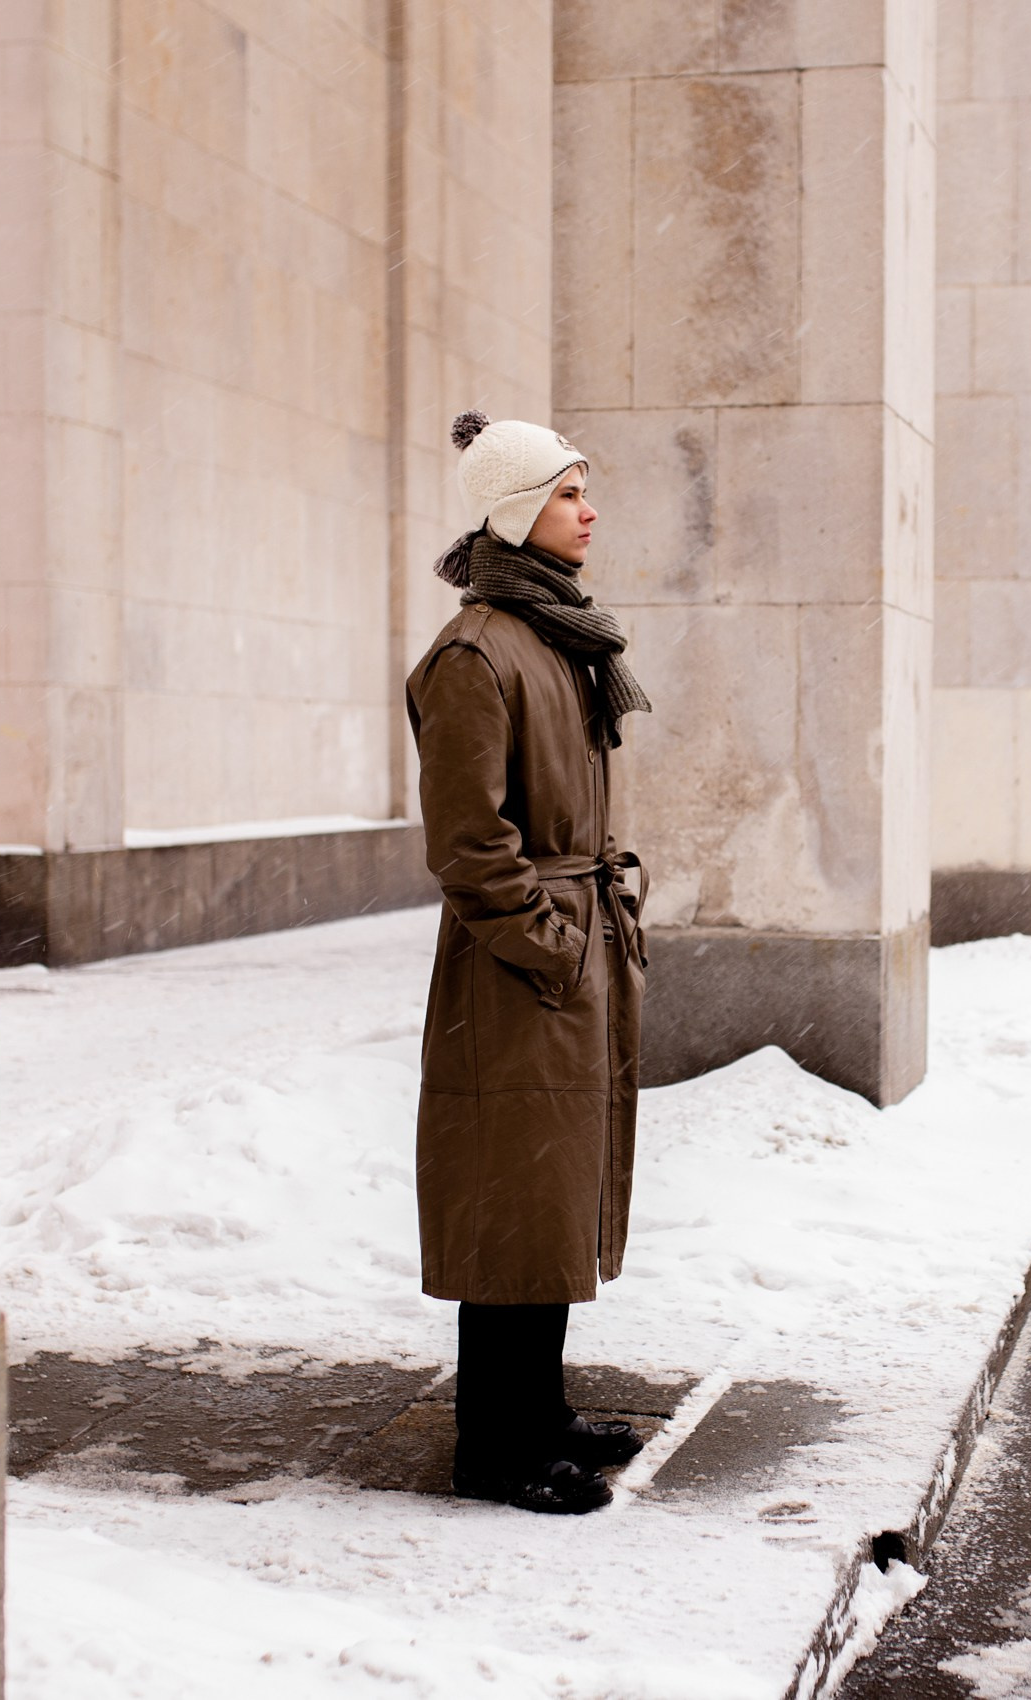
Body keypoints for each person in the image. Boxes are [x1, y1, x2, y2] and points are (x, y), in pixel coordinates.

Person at [405, 411, 653, 1515]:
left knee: (550, 1193)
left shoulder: (557, 635)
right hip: (519, 967)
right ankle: (492, 1444)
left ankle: (537, 1408)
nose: (589, 508)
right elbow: (469, 843)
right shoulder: (476, 653)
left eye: (584, 489)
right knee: (509, 1197)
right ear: (514, 512)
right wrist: (552, 946)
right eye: (566, 492)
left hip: (569, 950)